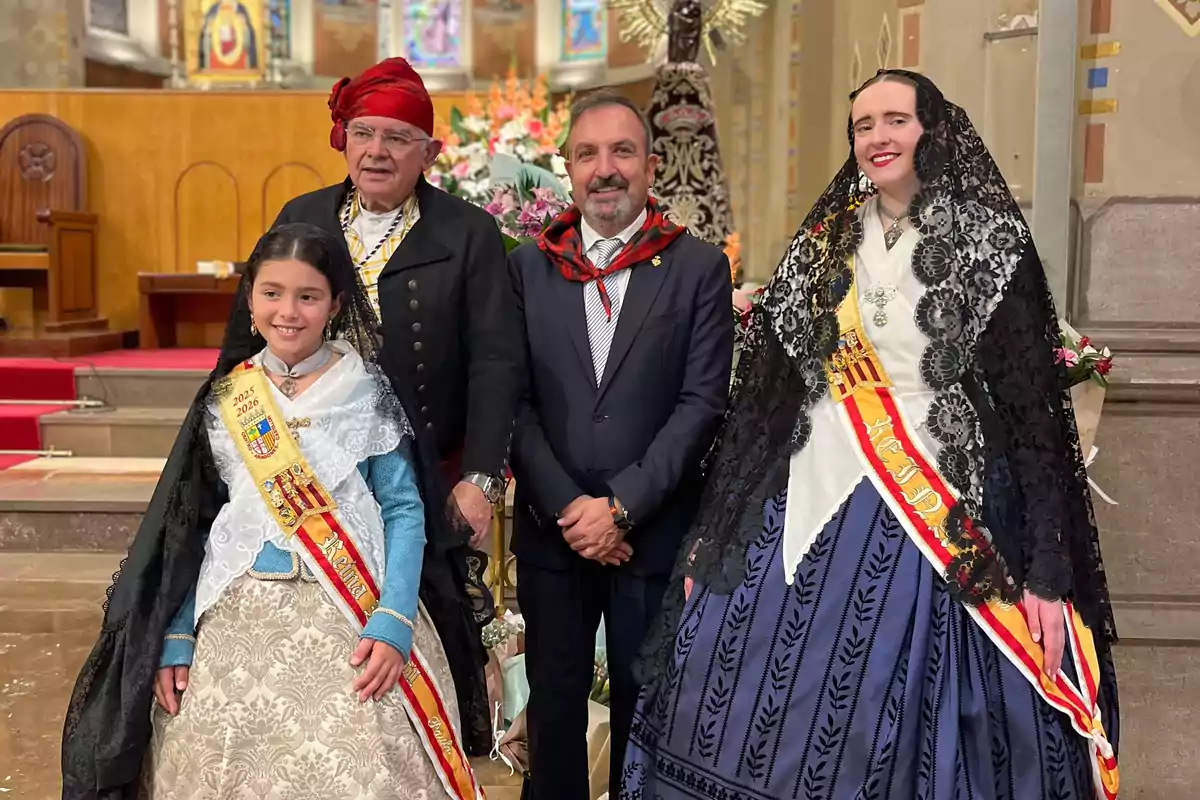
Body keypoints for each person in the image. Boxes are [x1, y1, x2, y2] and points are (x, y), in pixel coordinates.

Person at [623, 70, 1121, 799]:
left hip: (936, 499)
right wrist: (717, 532)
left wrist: (1046, 571)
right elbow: (767, 404)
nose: (877, 138)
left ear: (933, 128)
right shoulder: (826, 243)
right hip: (806, 485)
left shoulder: (987, 244)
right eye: (863, 125)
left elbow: (1032, 418)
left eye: (895, 120)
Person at [61, 223, 485, 799]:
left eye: (308, 296)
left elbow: (405, 511)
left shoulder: (368, 392)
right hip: (235, 607)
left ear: (335, 304)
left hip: (355, 609)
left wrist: (393, 621)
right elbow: (196, 525)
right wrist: (179, 628)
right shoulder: (227, 397)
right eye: (272, 293)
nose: (288, 312)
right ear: (251, 299)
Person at [270, 56, 525, 753]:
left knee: (426, 637)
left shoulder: (468, 234)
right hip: (312, 473)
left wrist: (480, 480)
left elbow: (498, 363)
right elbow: (254, 338)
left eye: (396, 137)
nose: (376, 151)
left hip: (431, 475)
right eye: (363, 133)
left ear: (429, 153)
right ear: (343, 140)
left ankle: (416, 766)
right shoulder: (303, 218)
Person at [507, 89, 734, 800]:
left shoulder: (697, 268)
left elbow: (702, 404)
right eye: (588, 154)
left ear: (651, 165)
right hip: (555, 535)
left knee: (649, 712)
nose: (605, 169)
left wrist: (623, 506)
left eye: (622, 152)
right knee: (554, 709)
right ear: (568, 170)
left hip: (654, 534)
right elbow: (509, 401)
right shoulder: (527, 268)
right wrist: (574, 508)